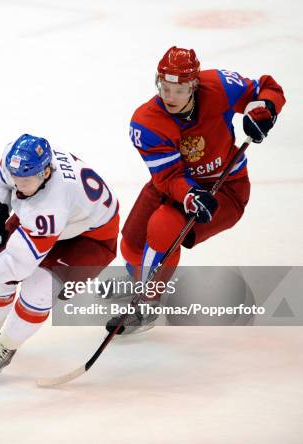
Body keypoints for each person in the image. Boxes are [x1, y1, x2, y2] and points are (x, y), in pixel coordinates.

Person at [106, 46, 285, 334]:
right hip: (173, 185)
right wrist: (190, 195)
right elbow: (168, 176)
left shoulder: (220, 86)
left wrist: (265, 110)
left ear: (194, 84)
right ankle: (139, 282)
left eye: (178, 90)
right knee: (131, 245)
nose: (170, 97)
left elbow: (267, 88)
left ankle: (145, 304)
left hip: (225, 189)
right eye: (164, 88)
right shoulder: (147, 122)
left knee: (164, 227)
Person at [0, 134, 120, 381]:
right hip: (58, 219)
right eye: (14, 176)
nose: (17, 184)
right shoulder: (19, 161)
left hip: (89, 239)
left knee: (38, 289)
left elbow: (18, 265)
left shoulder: (51, 206)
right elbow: (1, 179)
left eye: (24, 180)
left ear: (45, 173)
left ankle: (5, 346)